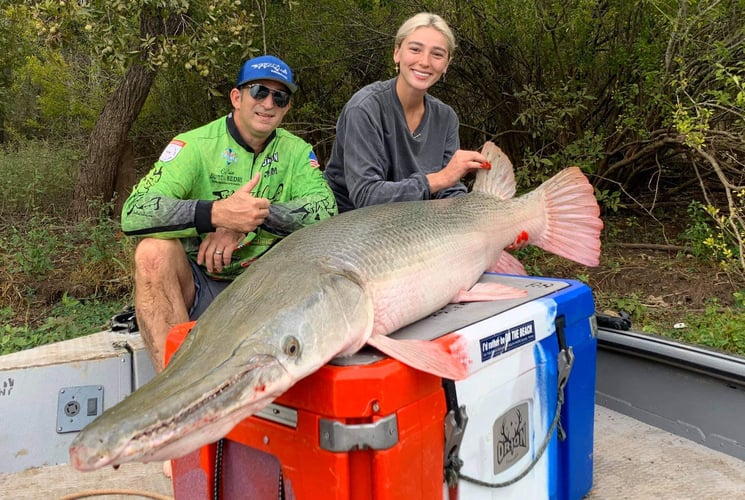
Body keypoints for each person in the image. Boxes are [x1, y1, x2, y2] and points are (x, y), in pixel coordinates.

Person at [121, 55, 337, 372]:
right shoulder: (193, 145)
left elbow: (327, 211)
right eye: (259, 91)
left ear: (287, 107)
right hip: (198, 283)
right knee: (152, 253)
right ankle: (177, 384)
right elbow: (134, 212)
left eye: (280, 97)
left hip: (266, 287)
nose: (268, 103)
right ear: (237, 97)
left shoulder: (297, 152)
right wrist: (217, 214)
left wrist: (251, 218)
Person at [323, 12, 489, 213]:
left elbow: (448, 191)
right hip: (351, 226)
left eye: (437, 54)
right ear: (397, 53)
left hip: (412, 221)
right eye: (415, 49)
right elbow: (366, 196)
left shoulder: (446, 117)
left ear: (446, 64)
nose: (425, 62)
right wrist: (441, 178)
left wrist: (479, 216)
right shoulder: (365, 108)